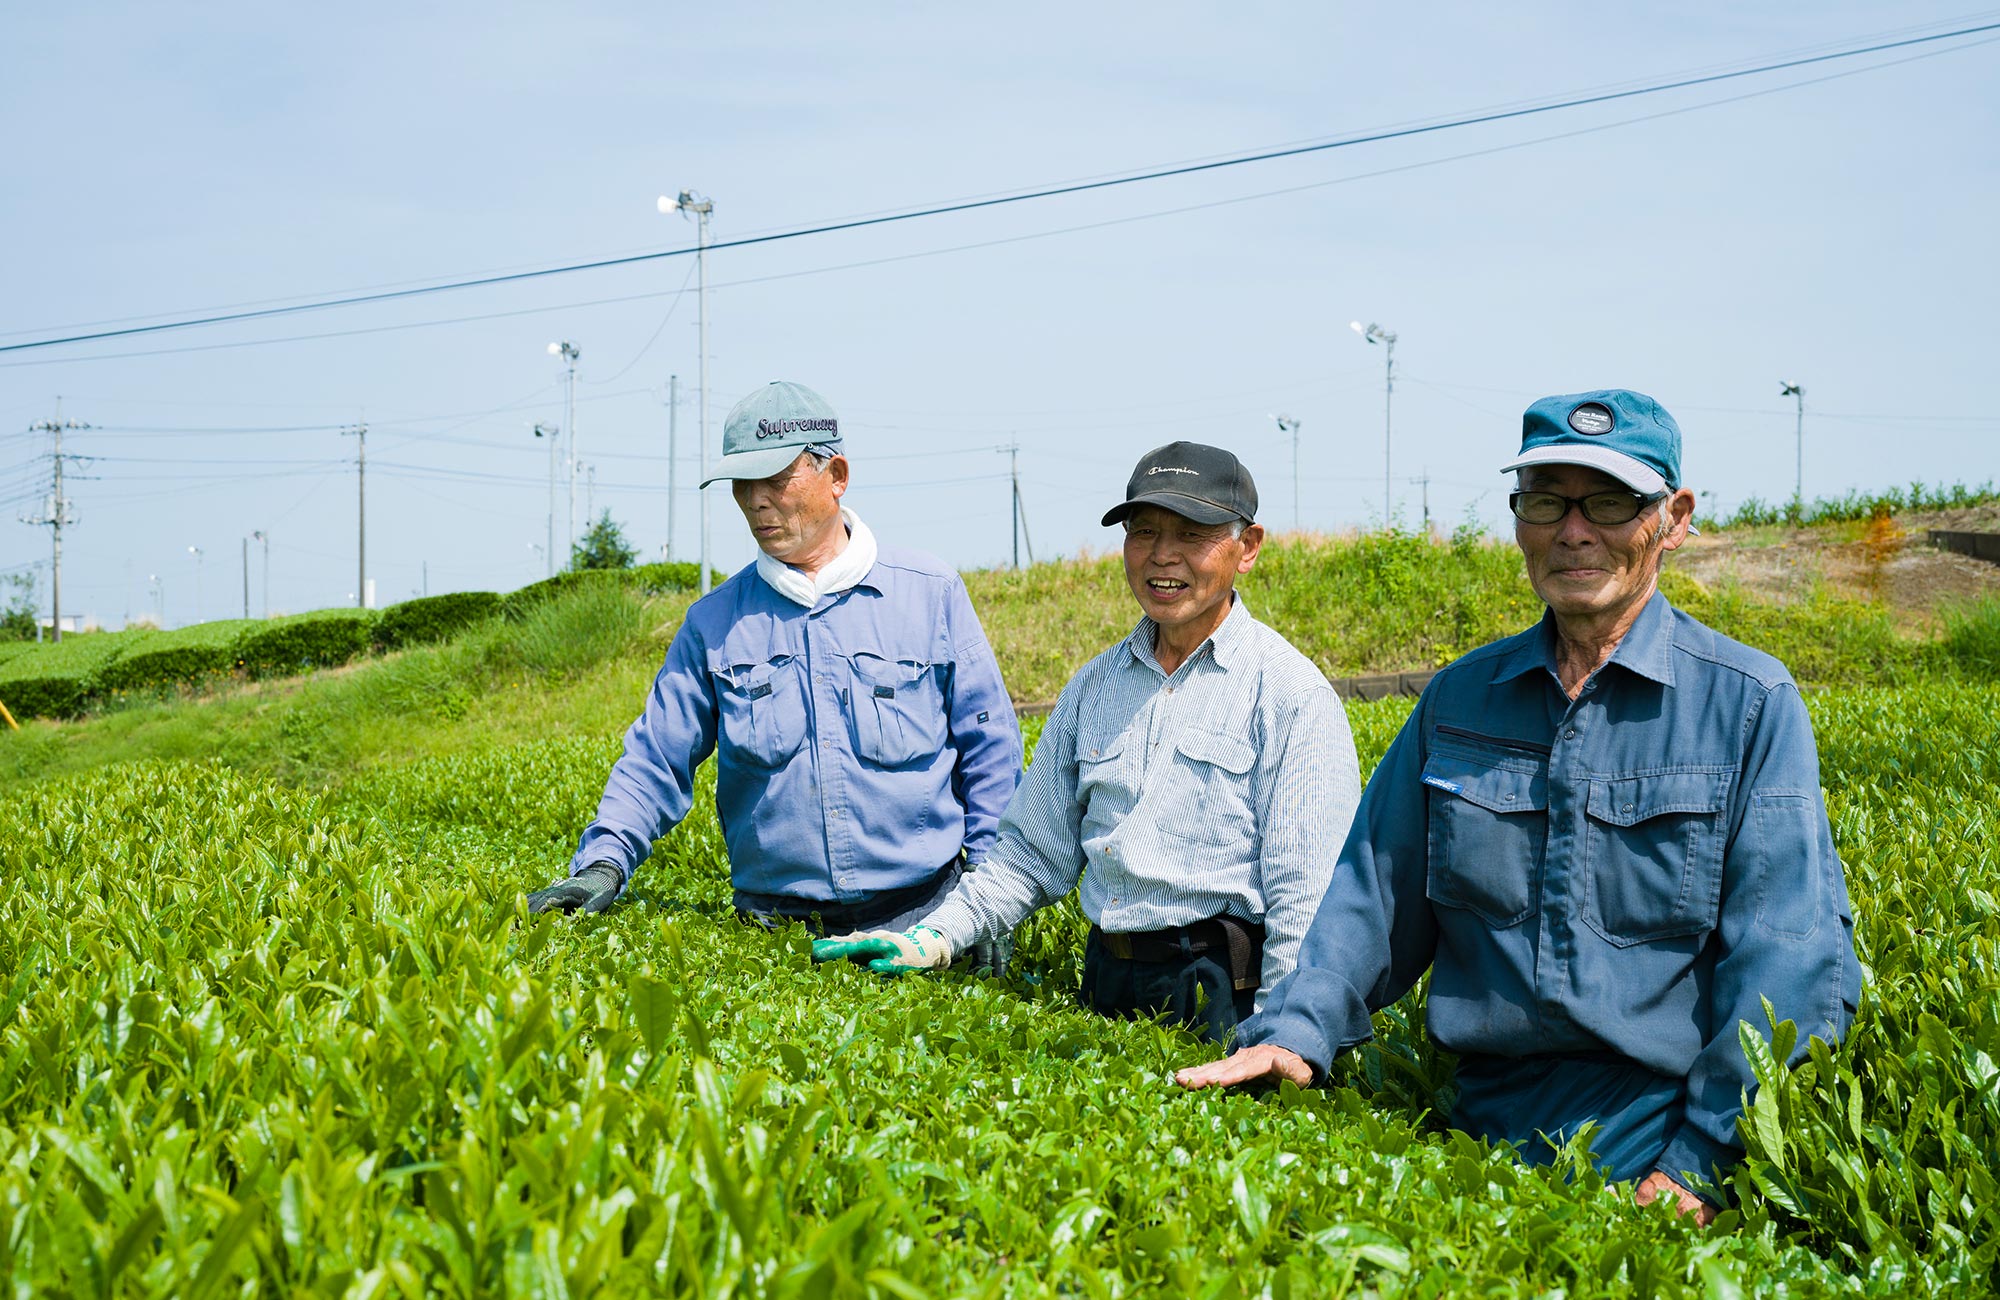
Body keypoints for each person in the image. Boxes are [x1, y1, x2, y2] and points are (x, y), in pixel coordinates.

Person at [1175, 389, 1862, 1221]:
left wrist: (1703, 1161)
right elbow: (1372, 898)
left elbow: (1790, 957)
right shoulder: (1461, 699)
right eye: (1545, 500)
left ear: (1672, 519)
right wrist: (1294, 1032)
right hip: (1472, 1132)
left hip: (1658, 1140)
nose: (1574, 529)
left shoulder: (1748, 704)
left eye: (1609, 501)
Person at [813, 442, 1362, 1045]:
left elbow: (1306, 898)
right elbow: (1030, 853)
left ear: (1248, 547)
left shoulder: (1289, 693)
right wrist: (934, 936)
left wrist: (1283, 1040)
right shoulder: (1093, 687)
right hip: (1105, 982)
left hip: (1224, 992)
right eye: (1144, 531)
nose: (1162, 556)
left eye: (1192, 534)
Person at [526, 380, 1022, 952]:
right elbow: (656, 756)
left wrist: (989, 905)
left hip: (926, 922)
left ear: (835, 476)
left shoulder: (929, 594)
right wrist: (603, 864)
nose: (756, 499)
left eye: (776, 480)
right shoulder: (713, 624)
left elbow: (991, 753)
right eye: (743, 483)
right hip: (774, 938)